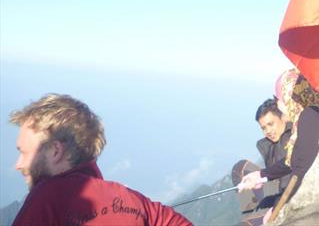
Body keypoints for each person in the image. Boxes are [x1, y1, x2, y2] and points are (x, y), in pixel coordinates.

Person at [10, 93, 192, 226]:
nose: (19, 164)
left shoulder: (47, 197)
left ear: (55, 151)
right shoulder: (132, 200)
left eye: (24, 153)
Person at [238, 70, 319, 200]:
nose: (278, 103)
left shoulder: (309, 118)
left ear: (291, 94)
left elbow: (299, 168)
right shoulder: (306, 118)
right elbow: (291, 162)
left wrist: (279, 207)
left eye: (279, 97)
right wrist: (260, 175)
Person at [233, 97, 293, 220]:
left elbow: (289, 184)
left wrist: (274, 209)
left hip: (286, 196)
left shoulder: (290, 139)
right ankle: (254, 213)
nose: (268, 131)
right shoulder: (270, 144)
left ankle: (253, 217)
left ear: (282, 118)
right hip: (275, 186)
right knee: (240, 168)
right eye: (264, 128)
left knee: (250, 222)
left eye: (271, 124)